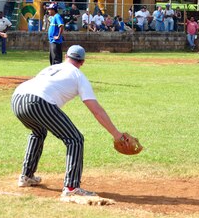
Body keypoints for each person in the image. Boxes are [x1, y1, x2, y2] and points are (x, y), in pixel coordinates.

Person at [12, 45, 126, 198]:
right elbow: (96, 110)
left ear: (66, 56)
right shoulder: (79, 76)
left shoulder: (51, 68)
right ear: (82, 62)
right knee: (75, 139)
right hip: (38, 101)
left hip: (17, 98)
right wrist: (116, 134)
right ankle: (71, 188)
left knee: (38, 132)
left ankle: (26, 176)